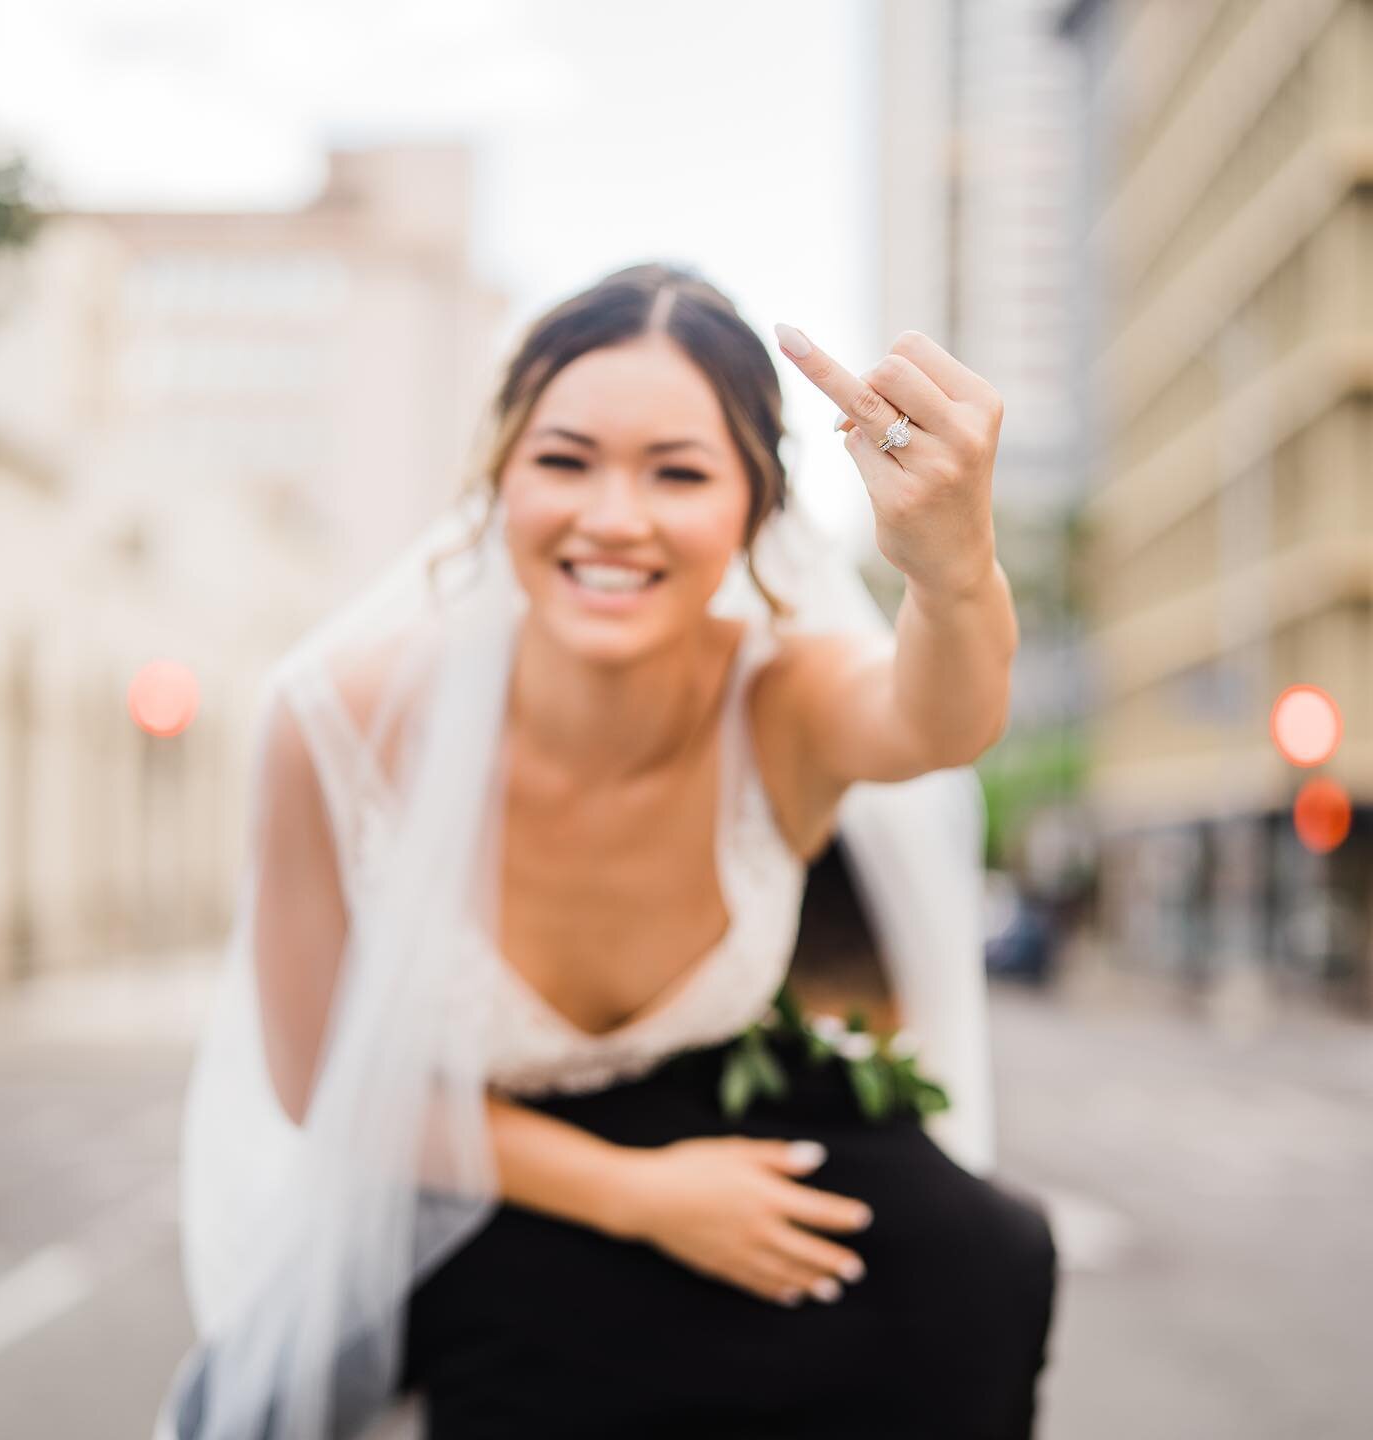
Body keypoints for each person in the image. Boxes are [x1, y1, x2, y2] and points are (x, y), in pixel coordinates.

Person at [157, 263, 1057, 1440]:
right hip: (446, 1172)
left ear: (754, 509)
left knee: (980, 1259)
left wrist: (952, 571)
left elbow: (942, 723)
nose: (614, 517)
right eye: (566, 460)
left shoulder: (782, 699)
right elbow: (321, 1084)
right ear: (500, 480)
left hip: (716, 1116)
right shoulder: (333, 720)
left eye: (678, 473)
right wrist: (638, 1195)